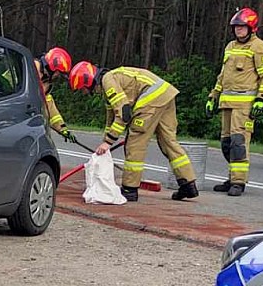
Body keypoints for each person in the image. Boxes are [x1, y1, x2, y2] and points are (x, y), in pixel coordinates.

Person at [68, 61, 198, 202]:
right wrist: (105, 142)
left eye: (82, 89)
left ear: (87, 81)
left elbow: (124, 112)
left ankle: (129, 189)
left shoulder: (108, 81)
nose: (84, 92)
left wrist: (108, 142)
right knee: (169, 142)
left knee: (134, 144)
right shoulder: (110, 81)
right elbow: (112, 117)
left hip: (150, 99)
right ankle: (188, 184)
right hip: (166, 94)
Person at [206, 7, 263, 196]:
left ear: (251, 28)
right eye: (236, 27)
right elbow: (223, 75)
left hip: (244, 105)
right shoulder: (230, 46)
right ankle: (232, 177)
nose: (238, 30)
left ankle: (238, 182)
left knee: (238, 143)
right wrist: (213, 96)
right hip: (226, 104)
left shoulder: (259, 47)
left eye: (242, 27)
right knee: (226, 144)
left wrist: (261, 98)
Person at [35, 46, 74, 142]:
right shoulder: (33, 68)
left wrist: (62, 129)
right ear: (52, 67)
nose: (57, 75)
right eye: (58, 72)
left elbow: (49, 107)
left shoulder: (46, 81)